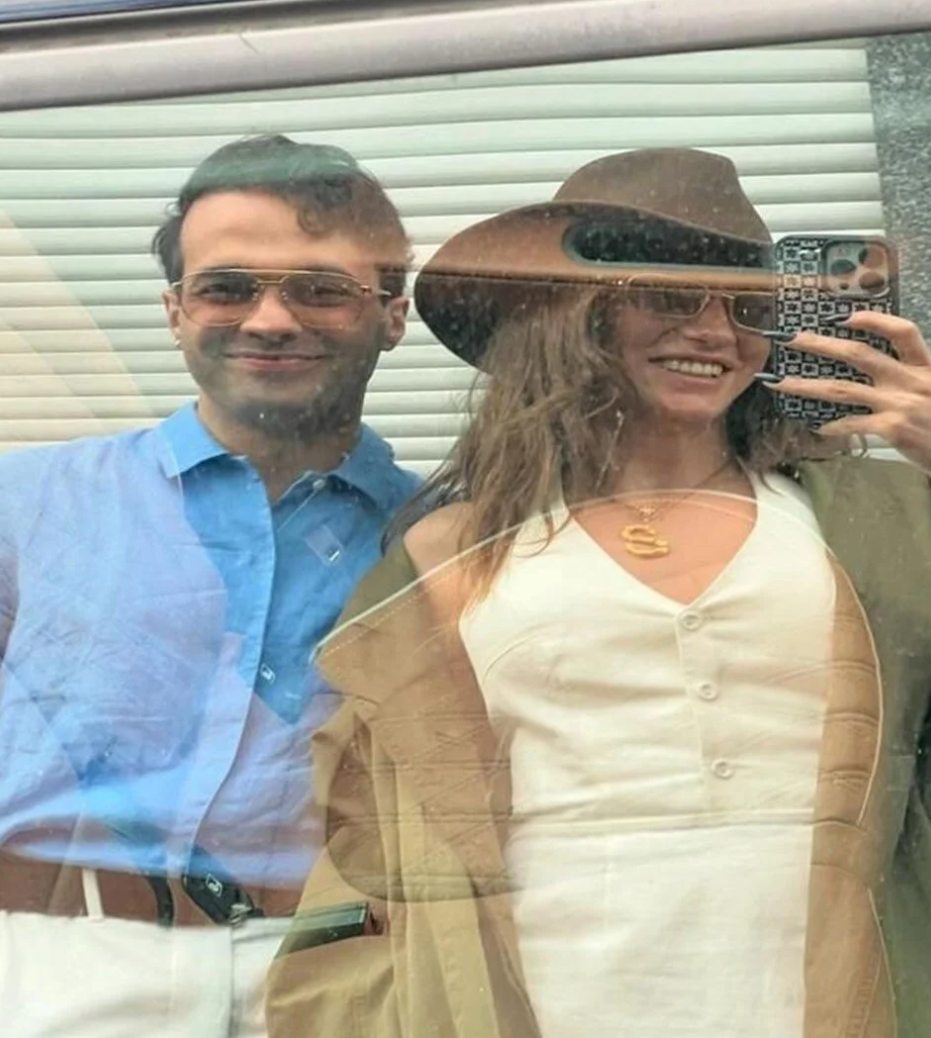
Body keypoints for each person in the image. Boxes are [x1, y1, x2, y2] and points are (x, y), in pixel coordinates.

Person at [265, 148, 931, 1038]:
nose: (714, 332)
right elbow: (380, 833)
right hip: (556, 995)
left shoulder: (876, 521)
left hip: (840, 989)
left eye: (747, 307)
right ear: (571, 315)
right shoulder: (454, 547)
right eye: (668, 297)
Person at [0, 134, 419, 1036]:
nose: (269, 320)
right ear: (174, 310)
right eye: (227, 287)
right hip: (50, 970)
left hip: (348, 976)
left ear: (393, 315)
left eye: (319, 289)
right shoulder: (21, 508)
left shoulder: (449, 540)